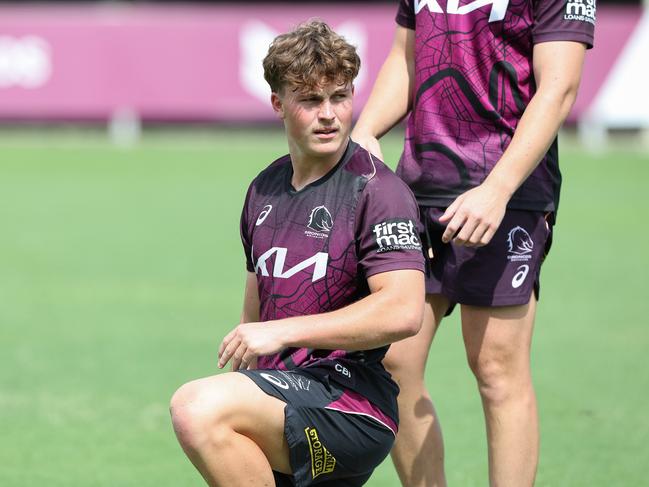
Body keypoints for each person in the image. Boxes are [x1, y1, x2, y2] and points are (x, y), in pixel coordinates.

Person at [170, 20, 427, 487]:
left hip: (351, 402)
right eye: (311, 101)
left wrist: (282, 332)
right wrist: (261, 346)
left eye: (340, 97)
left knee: (196, 408)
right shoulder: (263, 189)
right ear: (279, 105)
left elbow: (405, 311)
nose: (329, 114)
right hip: (284, 394)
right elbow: (257, 316)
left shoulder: (379, 191)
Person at [351, 1, 595, 486]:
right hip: (417, 189)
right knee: (392, 362)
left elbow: (559, 86)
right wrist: (365, 130)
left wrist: (498, 190)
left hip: (509, 192)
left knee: (495, 367)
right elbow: (407, 58)